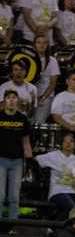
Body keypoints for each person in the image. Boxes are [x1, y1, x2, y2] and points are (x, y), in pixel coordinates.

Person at [0, 89, 32, 219]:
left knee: (14, 196)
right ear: (4, 101)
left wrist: (29, 160)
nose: (12, 100)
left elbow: (26, 141)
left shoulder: (22, 119)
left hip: (17, 161)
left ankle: (13, 225)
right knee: (0, 195)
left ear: (17, 101)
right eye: (9, 98)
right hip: (1, 159)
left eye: (14, 97)